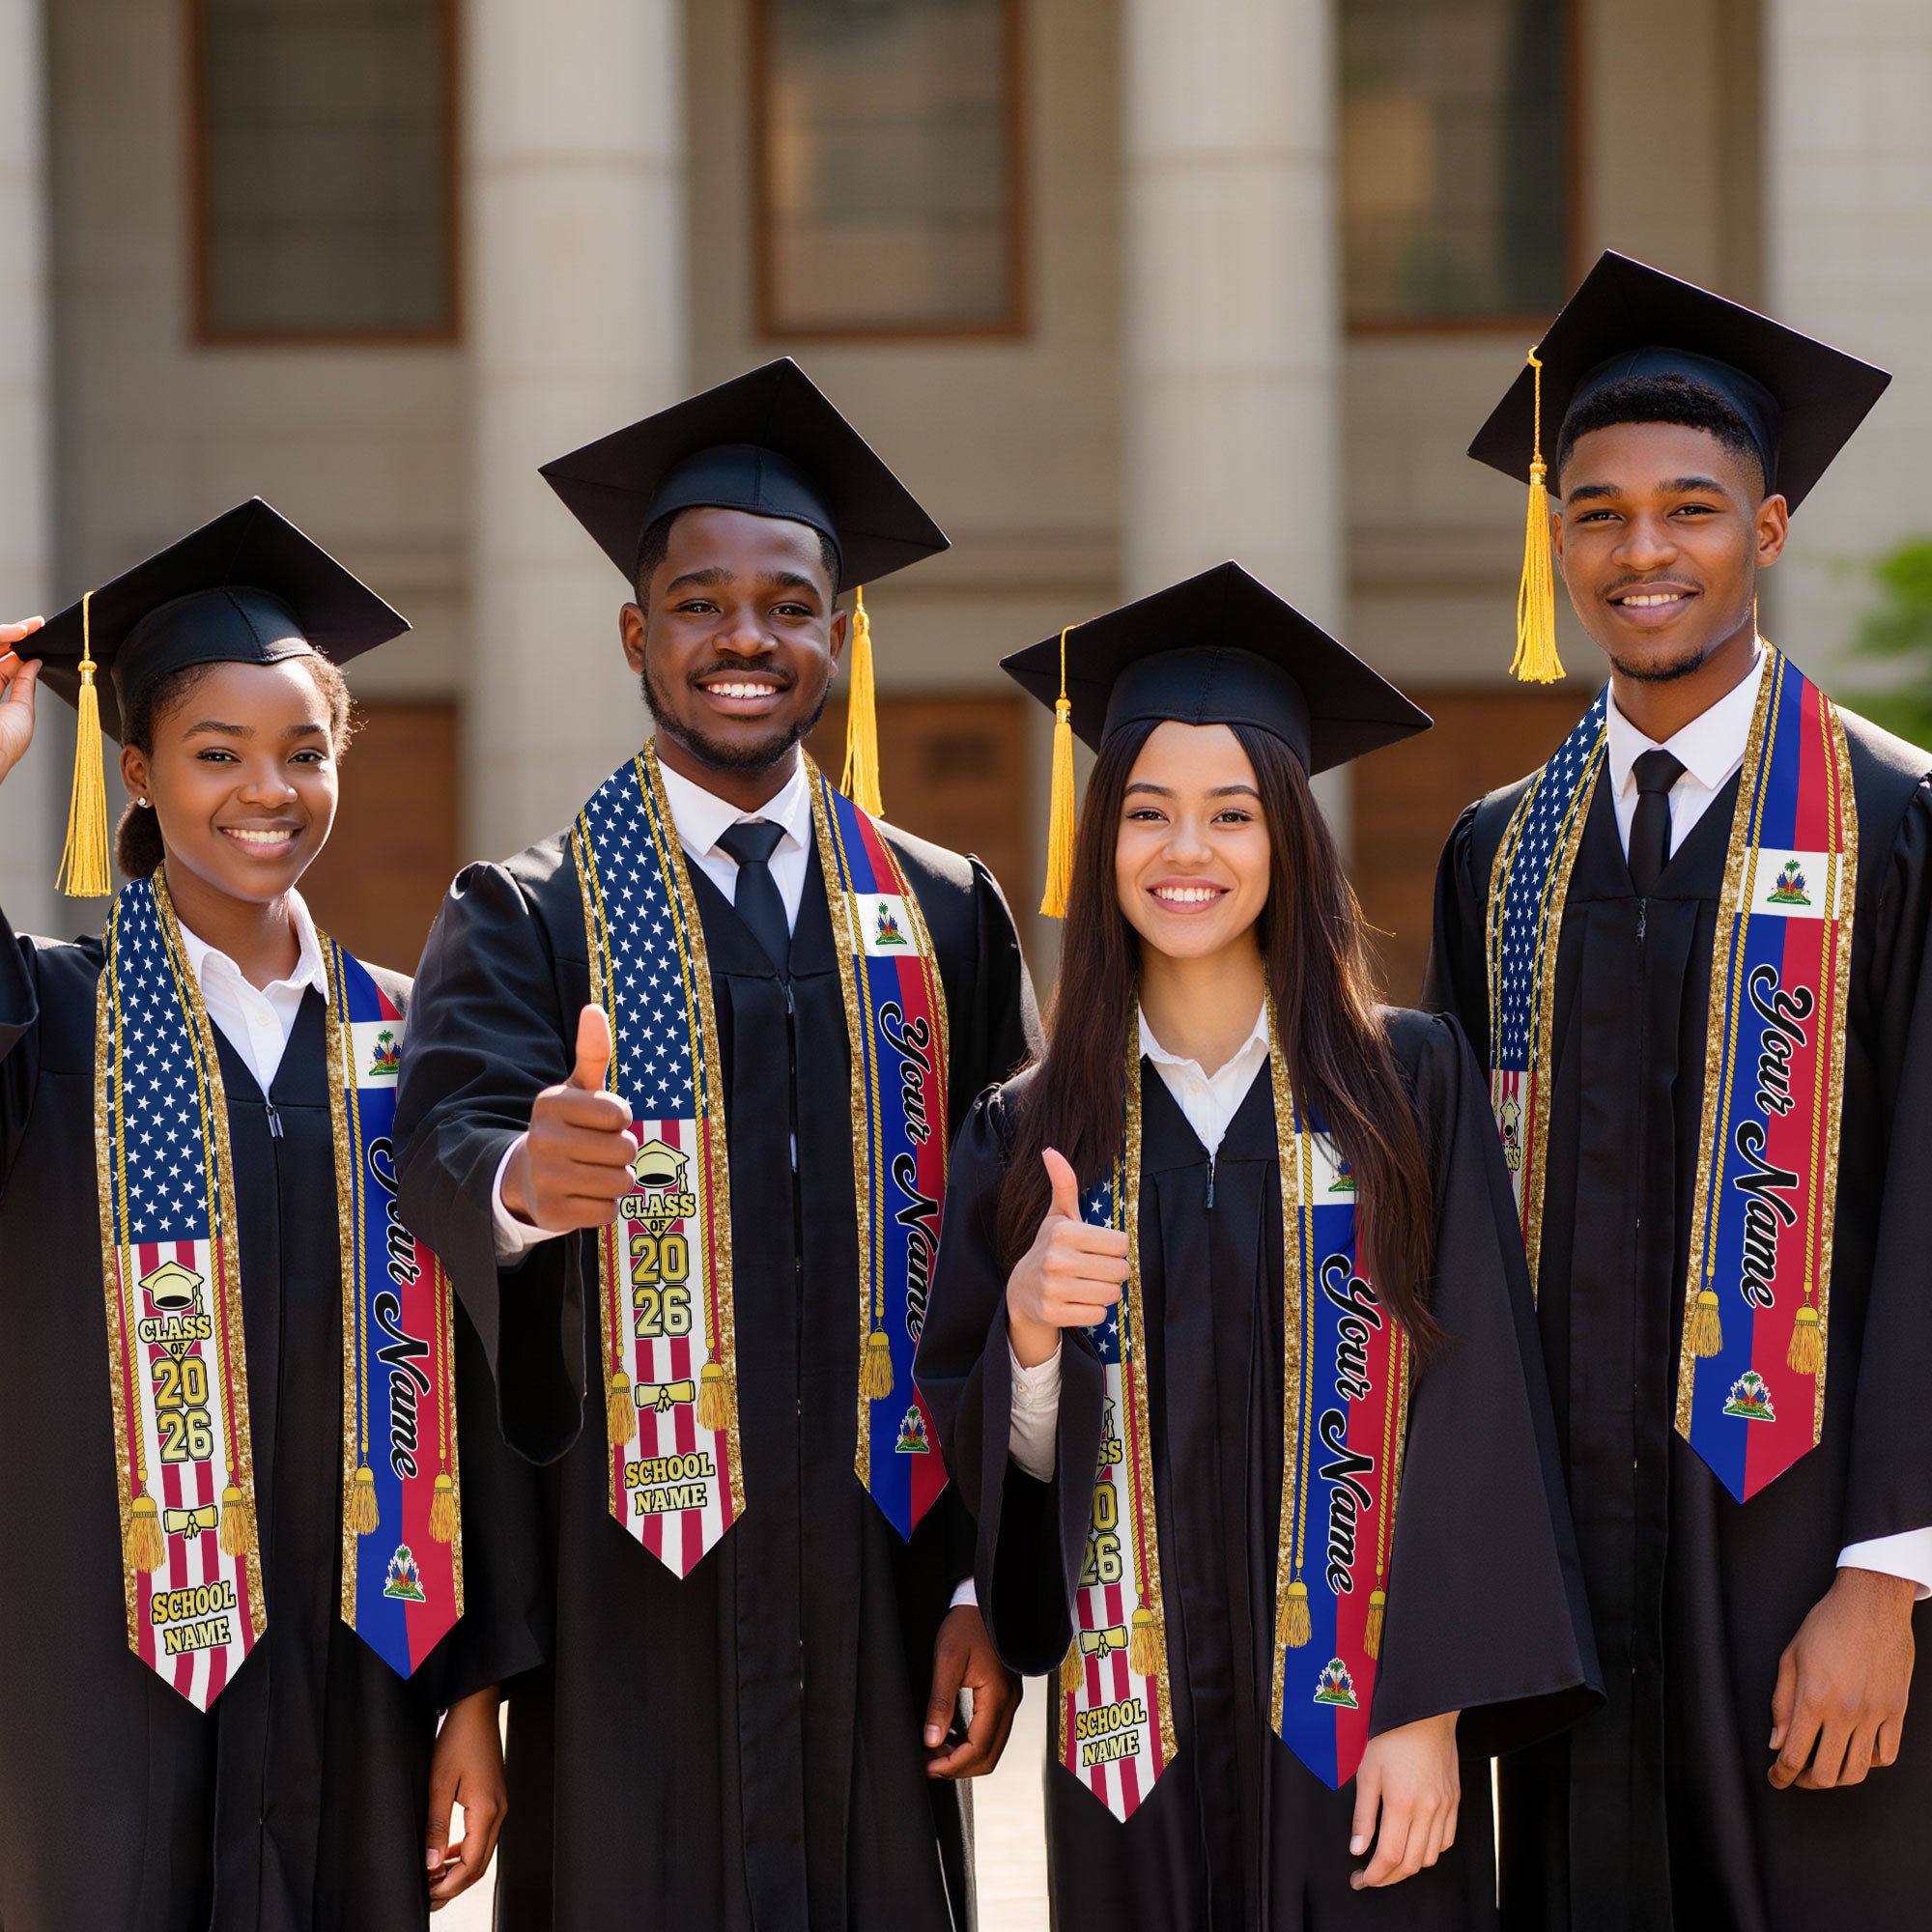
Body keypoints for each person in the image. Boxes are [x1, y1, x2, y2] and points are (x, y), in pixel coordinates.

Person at [392, 358, 1039, 1927]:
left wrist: (981, 1588)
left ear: (840, 633)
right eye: (698, 603)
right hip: (633, 1602)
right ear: (637, 633)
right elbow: (441, 1147)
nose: (744, 638)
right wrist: (523, 1185)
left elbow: (1015, 1251)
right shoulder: (531, 914)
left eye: (788, 603)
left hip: (886, 1586)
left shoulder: (942, 912)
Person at [916, 562, 1599, 1930]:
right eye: (1149, 813)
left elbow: (1480, 1407)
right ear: (1100, 841)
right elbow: (994, 1473)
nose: (1188, 853)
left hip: (1363, 1737)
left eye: (1231, 815)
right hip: (1132, 1750)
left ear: (1288, 839)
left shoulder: (1412, 1089)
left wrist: (1429, 1708)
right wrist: (1034, 1341)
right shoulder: (1032, 1128)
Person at [1427, 250, 1932, 1931]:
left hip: (1808, 1561)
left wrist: (1891, 1571)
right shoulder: (1500, 855)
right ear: (1555, 539)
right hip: (1567, 1572)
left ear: (1768, 531)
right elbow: (1453, 1240)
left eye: (1692, 508)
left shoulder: (1901, 825)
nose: (1643, 551)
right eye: (1598, 511)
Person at [0, 498, 544, 1931]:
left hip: (356, 1668)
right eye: (216, 754)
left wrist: (475, 1699)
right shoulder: (53, 1020)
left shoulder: (412, 1045)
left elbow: (484, 1389)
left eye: (305, 753)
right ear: (134, 772)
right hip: (94, 1685)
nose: (268, 790)